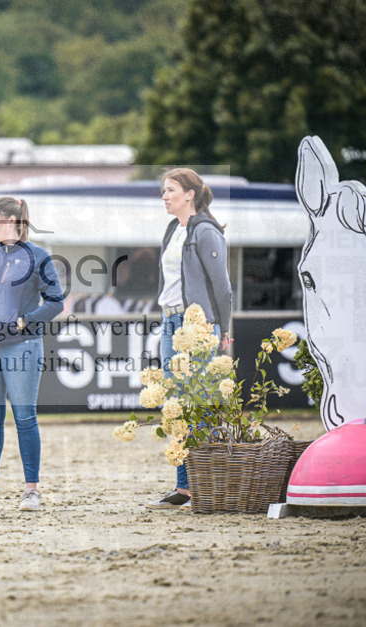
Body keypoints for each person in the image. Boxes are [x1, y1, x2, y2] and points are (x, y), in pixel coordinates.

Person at [0, 197, 64, 512]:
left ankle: (31, 491)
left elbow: (55, 301)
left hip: (22, 345)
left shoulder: (38, 256)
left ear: (11, 221)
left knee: (24, 418)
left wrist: (25, 321)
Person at [148, 168, 232, 509]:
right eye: (164, 190)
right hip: (170, 320)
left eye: (171, 190)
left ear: (189, 194)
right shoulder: (173, 229)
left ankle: (205, 484)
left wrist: (223, 328)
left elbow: (223, 287)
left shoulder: (206, 231)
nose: (165, 196)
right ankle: (184, 487)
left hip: (197, 324)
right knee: (176, 404)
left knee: (198, 403)